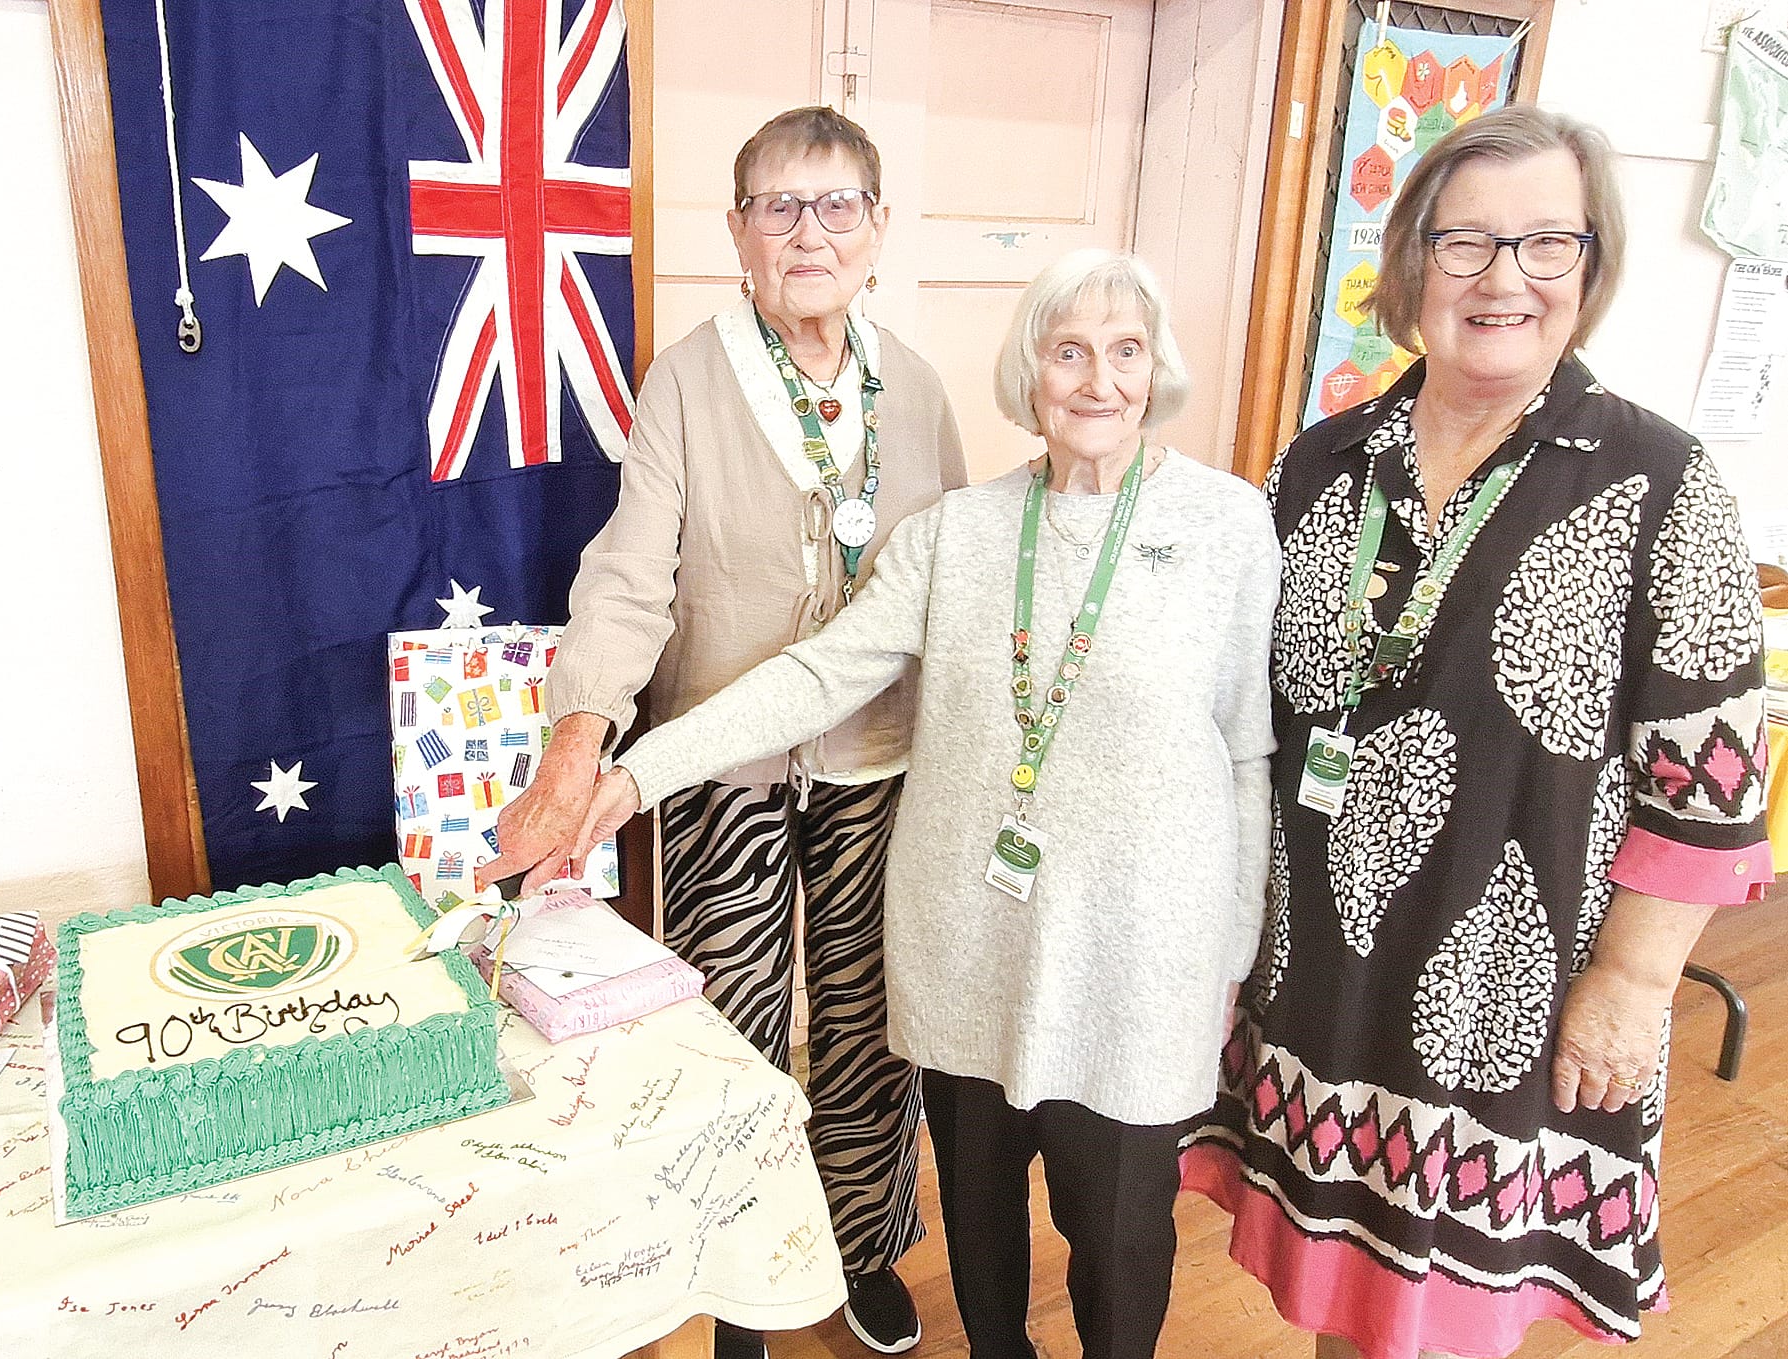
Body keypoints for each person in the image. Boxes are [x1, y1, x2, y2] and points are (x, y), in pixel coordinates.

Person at [534, 249, 1281, 1359]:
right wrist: (641, 769)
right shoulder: (958, 534)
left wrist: (1227, 951)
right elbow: (818, 674)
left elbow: (1244, 750)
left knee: (1118, 1232)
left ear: (1155, 370)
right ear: (1029, 373)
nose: (1096, 381)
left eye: (1124, 352)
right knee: (978, 1213)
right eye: (1067, 350)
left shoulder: (1226, 525)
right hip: (968, 941)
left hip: (1135, 960)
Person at [1184, 105, 1774, 1359]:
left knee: (1447, 1306)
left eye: (1543, 243)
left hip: (1513, 988)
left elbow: (1710, 784)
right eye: (1464, 245)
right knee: (1340, 1285)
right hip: (1321, 967)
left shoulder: (1658, 481)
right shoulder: (1321, 462)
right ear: (1411, 265)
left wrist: (1627, 985)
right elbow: (1250, 702)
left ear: (1588, 266)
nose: (1502, 279)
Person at [483, 106, 967, 1357]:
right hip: (718, 759)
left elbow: (954, 590)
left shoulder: (913, 388)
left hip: (879, 760)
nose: (809, 232)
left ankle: (859, 1246)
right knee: (733, 1025)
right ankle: (739, 1264)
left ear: (877, 228)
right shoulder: (688, 377)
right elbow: (631, 576)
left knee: (866, 1024)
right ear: (739, 234)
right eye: (778, 207)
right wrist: (577, 745)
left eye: (836, 206)